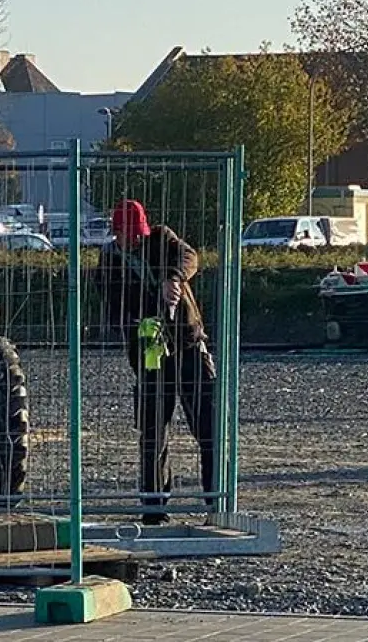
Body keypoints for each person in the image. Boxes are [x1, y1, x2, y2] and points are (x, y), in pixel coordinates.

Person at [93, 199, 219, 524]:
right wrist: (149, 309)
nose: (133, 240)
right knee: (152, 433)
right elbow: (113, 305)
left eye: (137, 234)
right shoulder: (109, 261)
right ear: (116, 233)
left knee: (209, 428)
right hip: (149, 352)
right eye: (127, 235)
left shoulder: (163, 239)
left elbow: (190, 257)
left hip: (189, 344)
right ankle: (153, 509)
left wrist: (173, 279)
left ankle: (216, 504)